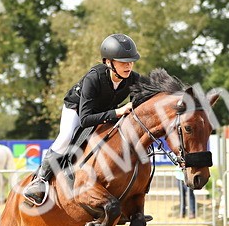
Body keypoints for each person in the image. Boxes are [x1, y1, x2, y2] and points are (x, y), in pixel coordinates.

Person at [23, 33, 142, 205]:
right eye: (123, 62)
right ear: (108, 62)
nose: (128, 66)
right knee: (66, 137)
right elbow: (86, 119)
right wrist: (117, 112)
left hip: (103, 111)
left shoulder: (134, 79)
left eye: (131, 61)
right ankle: (40, 180)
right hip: (77, 110)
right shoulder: (93, 78)